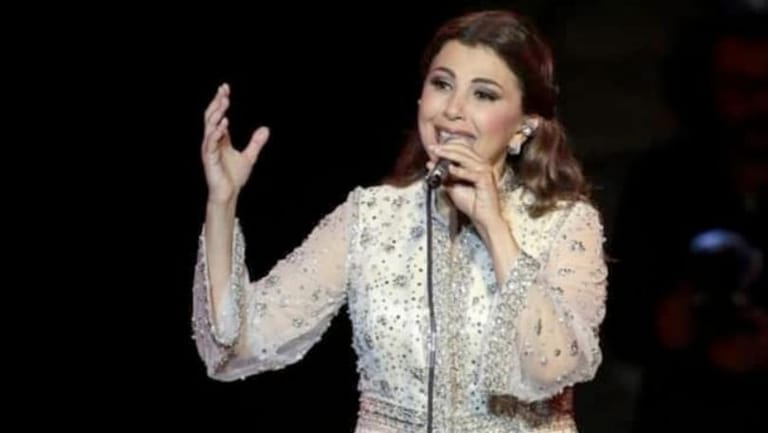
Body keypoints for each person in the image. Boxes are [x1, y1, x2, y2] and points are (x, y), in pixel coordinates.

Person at [191, 9, 608, 433]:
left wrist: (493, 227)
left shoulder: (565, 223)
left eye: (483, 94)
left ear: (524, 126)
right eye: (441, 84)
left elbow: (552, 367)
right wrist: (222, 201)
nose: (453, 110)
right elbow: (236, 346)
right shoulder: (370, 218)